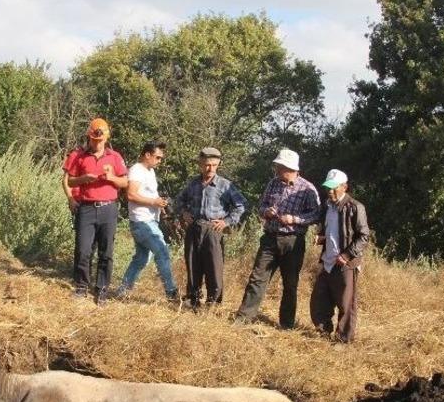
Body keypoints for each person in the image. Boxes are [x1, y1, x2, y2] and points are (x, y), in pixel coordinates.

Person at [235, 148, 320, 329]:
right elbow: (262, 206)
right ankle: (244, 318)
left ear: (289, 168)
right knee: (257, 278)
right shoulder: (273, 183)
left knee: (290, 284)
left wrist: (294, 219)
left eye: (279, 166)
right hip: (270, 239)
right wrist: (267, 211)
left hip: (293, 242)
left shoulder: (307, 189)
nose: (276, 169)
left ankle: (287, 324)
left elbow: (316, 215)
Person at [62, 118, 128, 303]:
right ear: (89, 137)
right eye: (93, 139)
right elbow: (69, 181)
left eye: (100, 140)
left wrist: (112, 177)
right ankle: (82, 286)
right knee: (83, 250)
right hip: (87, 208)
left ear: (106, 137)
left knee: (106, 252)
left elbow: (125, 182)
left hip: (108, 208)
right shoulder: (79, 156)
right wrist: (83, 179)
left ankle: (102, 289)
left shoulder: (115, 157)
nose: (96, 143)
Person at [174, 147, 247, 309]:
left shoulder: (225, 185)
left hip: (213, 230)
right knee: (193, 264)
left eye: (214, 165)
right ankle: (193, 299)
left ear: (218, 164)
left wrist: (227, 221)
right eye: (207, 165)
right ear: (200, 164)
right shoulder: (193, 183)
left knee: (214, 267)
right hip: (194, 228)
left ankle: (213, 303)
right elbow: (178, 201)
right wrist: (184, 213)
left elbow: (241, 206)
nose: (210, 169)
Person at [115, 141, 179, 303]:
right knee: (162, 252)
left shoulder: (149, 171)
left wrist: (159, 204)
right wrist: (153, 202)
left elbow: (146, 195)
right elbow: (130, 195)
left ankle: (123, 291)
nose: (159, 161)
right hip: (142, 222)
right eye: (157, 157)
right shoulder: (137, 170)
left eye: (161, 158)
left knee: (141, 258)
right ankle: (171, 293)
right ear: (147, 154)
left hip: (148, 220)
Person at [310, 169, 370, 343]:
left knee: (346, 304)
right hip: (328, 260)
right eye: (328, 188)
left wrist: (346, 255)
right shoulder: (328, 206)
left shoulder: (355, 207)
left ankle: (343, 339)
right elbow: (332, 232)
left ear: (344, 187)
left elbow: (364, 236)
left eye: (333, 187)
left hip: (346, 263)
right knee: (319, 300)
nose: (330, 191)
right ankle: (323, 332)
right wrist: (321, 238)